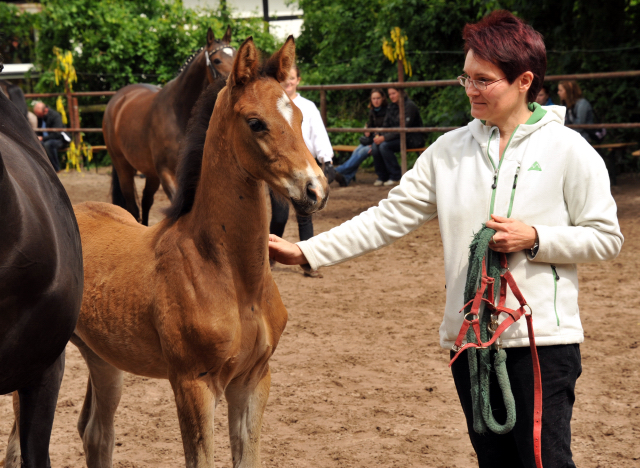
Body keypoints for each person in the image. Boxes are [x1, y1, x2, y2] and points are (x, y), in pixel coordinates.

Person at [269, 10, 622, 468]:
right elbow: (387, 217)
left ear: (524, 81)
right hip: (469, 342)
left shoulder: (569, 150)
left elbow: (605, 237)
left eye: (484, 79)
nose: (471, 89)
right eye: (466, 78)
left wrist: (536, 238)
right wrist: (306, 250)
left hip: (542, 343)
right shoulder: (448, 151)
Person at [269, 65, 334, 278]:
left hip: (304, 167)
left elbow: (318, 134)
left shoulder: (307, 107)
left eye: (292, 78)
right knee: (279, 216)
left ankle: (308, 261)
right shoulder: (273, 106)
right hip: (281, 169)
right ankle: (270, 255)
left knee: (305, 214)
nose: (288, 82)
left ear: (298, 80)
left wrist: (327, 159)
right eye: (284, 78)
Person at [371, 87, 425, 186]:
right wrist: (380, 135)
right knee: (375, 146)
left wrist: (384, 138)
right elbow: (386, 125)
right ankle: (382, 177)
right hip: (397, 138)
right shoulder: (391, 107)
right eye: (390, 94)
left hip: (412, 139)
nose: (391, 96)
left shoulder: (409, 106)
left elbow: (403, 128)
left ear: (401, 93)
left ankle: (396, 176)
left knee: (384, 146)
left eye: (393, 93)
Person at [334, 89, 388, 187]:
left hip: (381, 141)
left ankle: (336, 171)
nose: (376, 101)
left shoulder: (388, 111)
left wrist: (374, 139)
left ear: (383, 98)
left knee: (362, 152)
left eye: (378, 98)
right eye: (373, 98)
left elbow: (387, 129)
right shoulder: (372, 111)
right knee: (357, 151)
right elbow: (370, 127)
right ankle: (346, 178)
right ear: (371, 100)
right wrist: (367, 131)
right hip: (372, 140)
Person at [33, 101, 66, 171]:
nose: (37, 115)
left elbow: (57, 134)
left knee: (48, 144)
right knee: (38, 144)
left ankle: (55, 168)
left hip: (59, 140)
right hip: (45, 140)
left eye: (38, 114)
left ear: (45, 110)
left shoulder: (55, 116)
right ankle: (42, 168)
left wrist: (42, 138)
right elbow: (39, 131)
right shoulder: (40, 117)